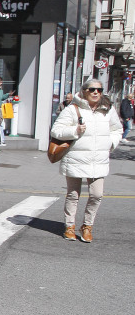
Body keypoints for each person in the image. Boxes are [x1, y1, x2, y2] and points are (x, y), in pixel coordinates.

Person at [50, 79, 122, 243]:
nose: (96, 92)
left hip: (98, 159)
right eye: (92, 89)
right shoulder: (72, 109)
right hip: (76, 158)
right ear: (84, 91)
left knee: (97, 194)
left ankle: (87, 226)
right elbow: (56, 130)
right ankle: (70, 226)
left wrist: (111, 143)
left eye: (99, 89)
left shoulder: (107, 110)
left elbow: (117, 129)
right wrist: (75, 130)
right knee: (73, 194)